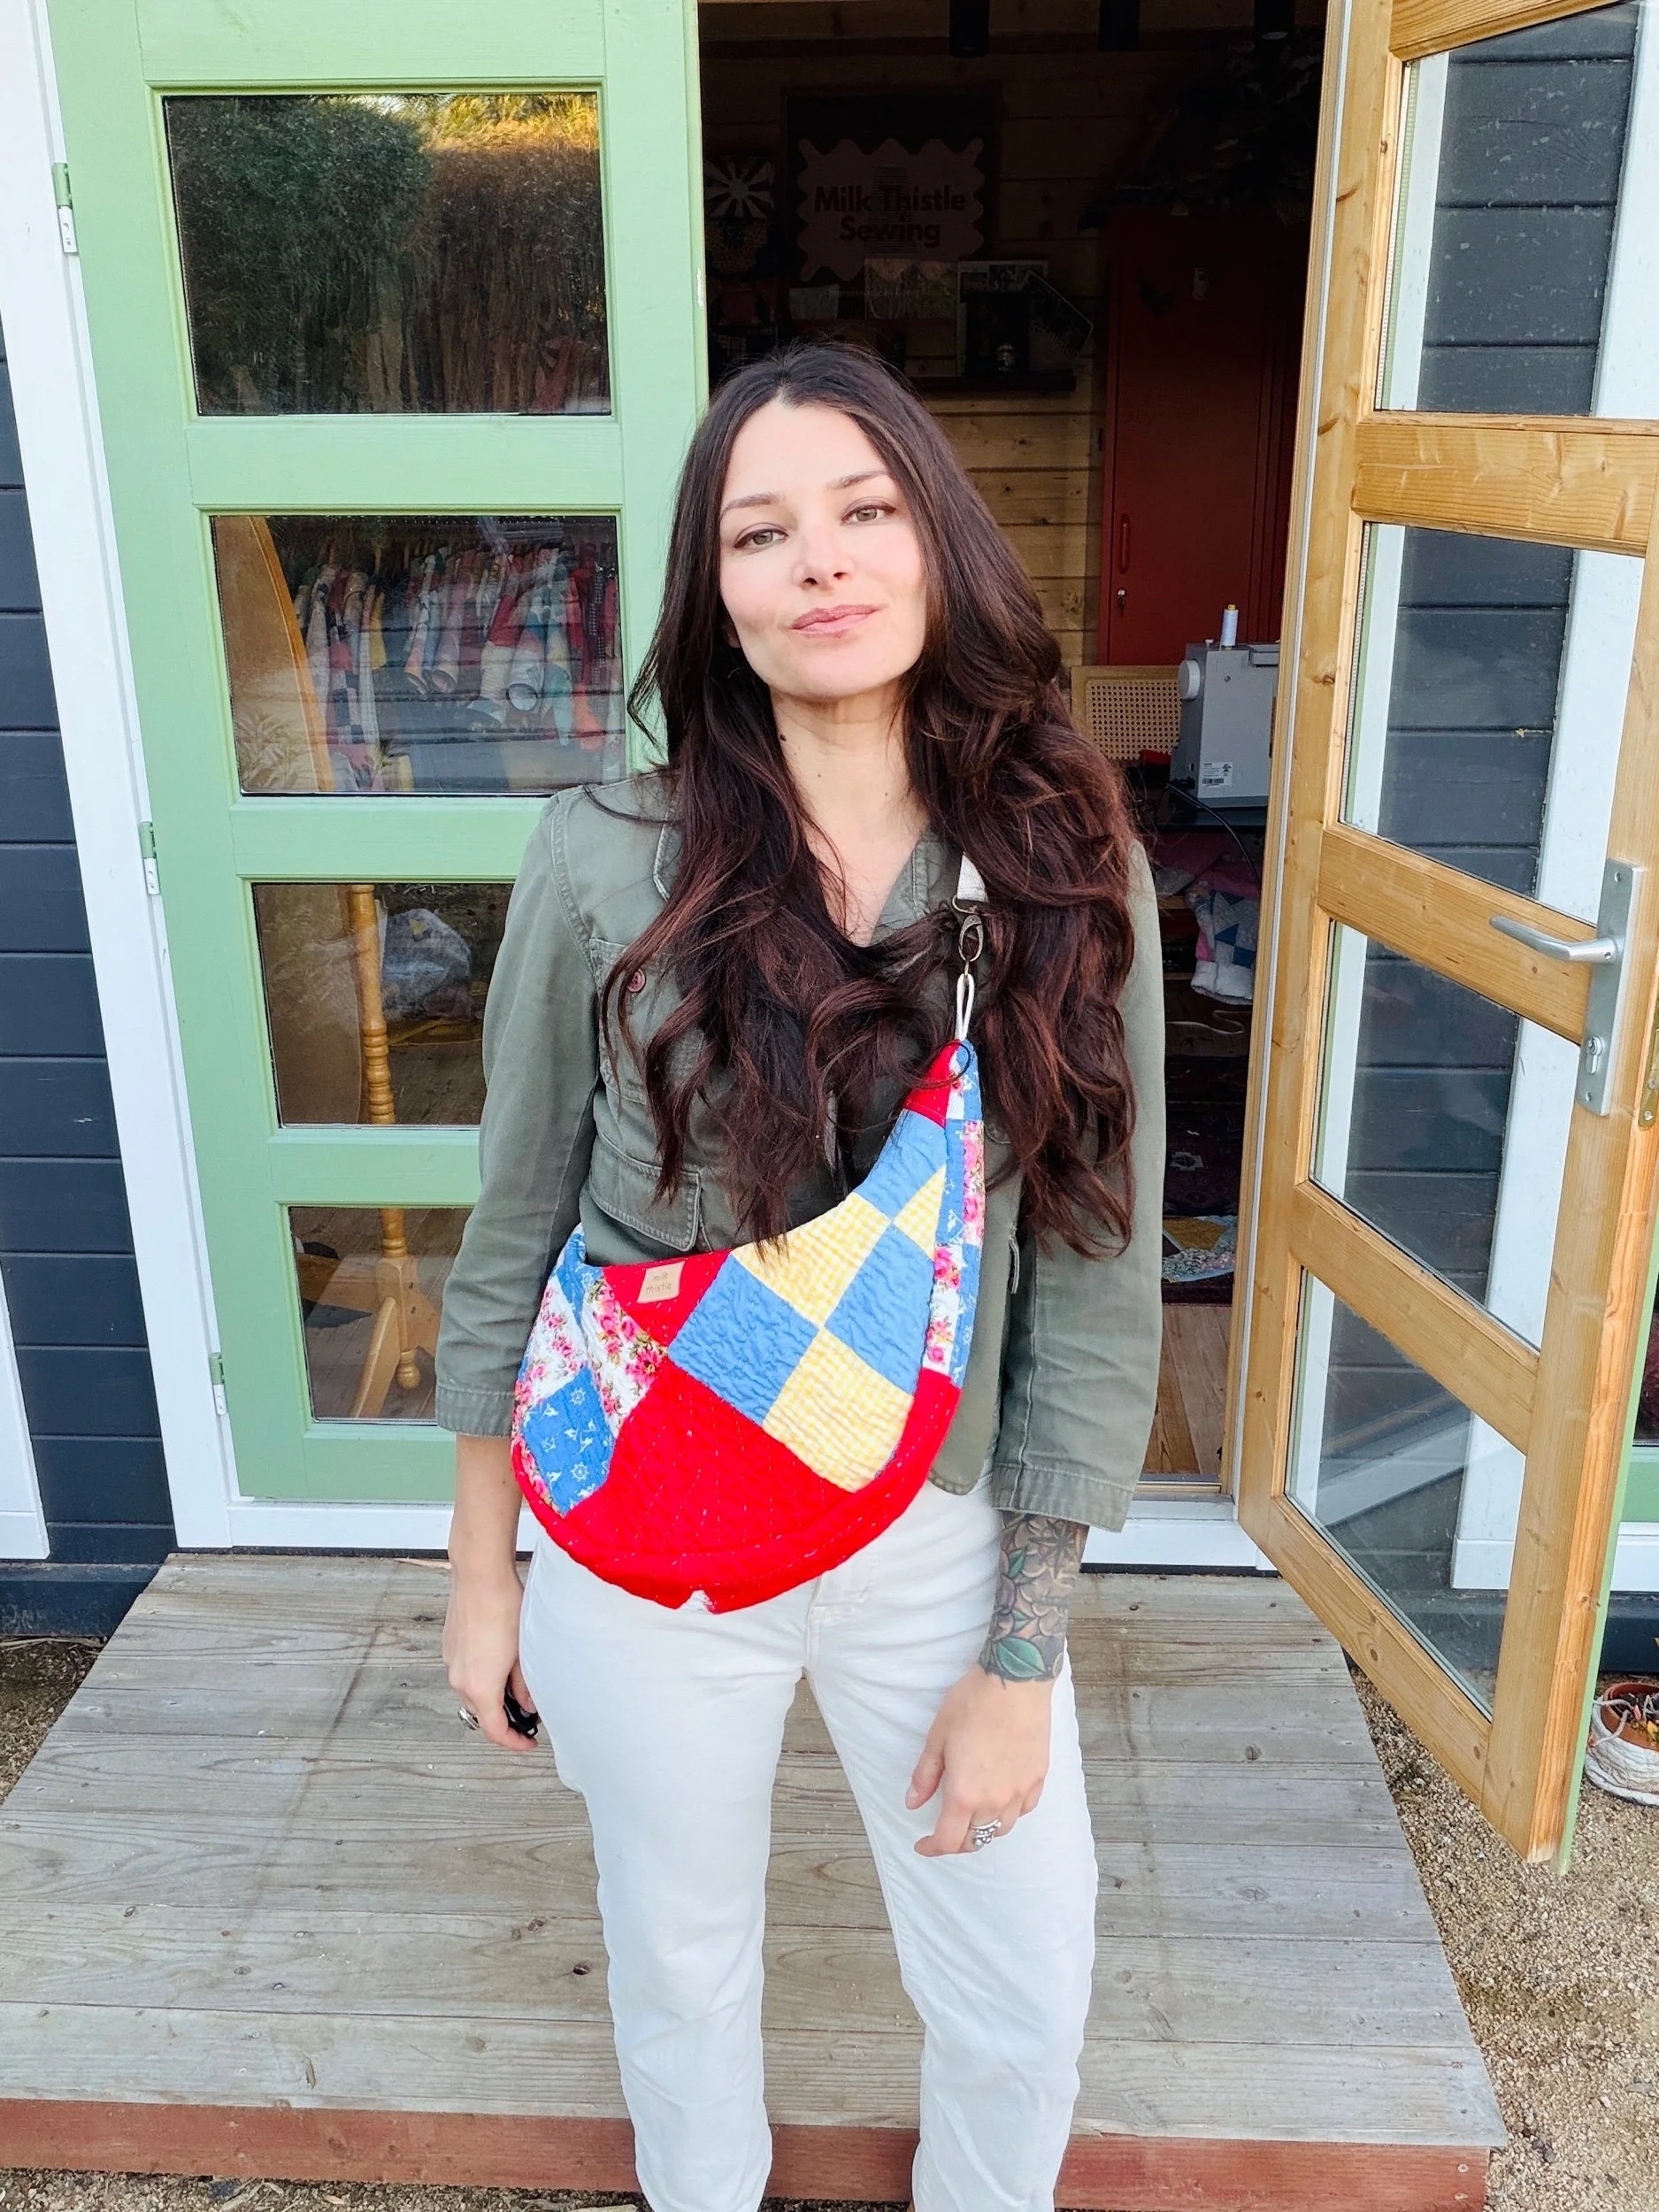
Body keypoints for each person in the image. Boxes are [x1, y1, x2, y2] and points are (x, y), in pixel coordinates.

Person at [436, 341, 1164, 2212]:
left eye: (863, 509)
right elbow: (513, 1224)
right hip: (645, 1525)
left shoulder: (1065, 867)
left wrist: (1020, 1654)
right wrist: (482, 1572)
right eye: (760, 532)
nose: (820, 561)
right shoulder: (602, 856)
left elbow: (1090, 1269)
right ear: (717, 590)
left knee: (1021, 1985)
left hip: (933, 1529)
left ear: (938, 543)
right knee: (678, 1970)